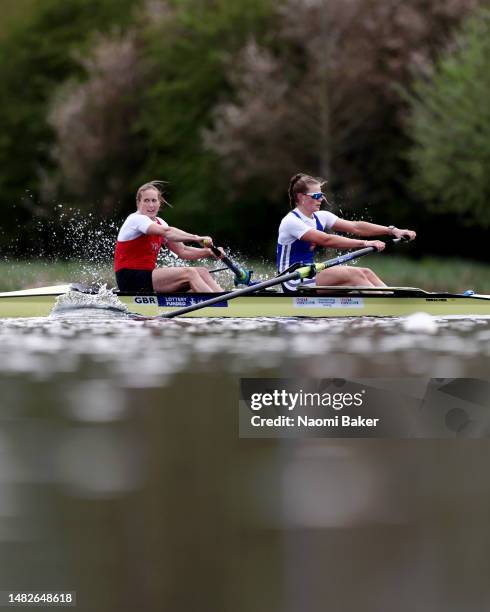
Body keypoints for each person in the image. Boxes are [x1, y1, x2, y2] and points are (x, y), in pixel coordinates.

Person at [277, 173, 416, 292]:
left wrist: (393, 231)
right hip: (292, 280)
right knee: (354, 275)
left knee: (366, 272)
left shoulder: (322, 216)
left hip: (309, 273)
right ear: (301, 197)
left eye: (322, 195)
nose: (321, 199)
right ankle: (385, 311)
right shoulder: (291, 222)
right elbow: (327, 240)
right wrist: (365, 243)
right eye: (316, 195)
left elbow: (356, 227)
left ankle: (392, 301)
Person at [114, 181, 223, 293]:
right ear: (138, 203)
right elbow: (167, 232)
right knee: (190, 273)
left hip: (147, 277)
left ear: (159, 203)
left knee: (202, 272)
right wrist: (196, 238)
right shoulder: (136, 219)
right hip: (130, 278)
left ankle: (226, 300)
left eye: (154, 200)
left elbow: (183, 251)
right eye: (146, 201)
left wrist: (209, 252)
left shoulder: (160, 222)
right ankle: (220, 305)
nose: (151, 205)